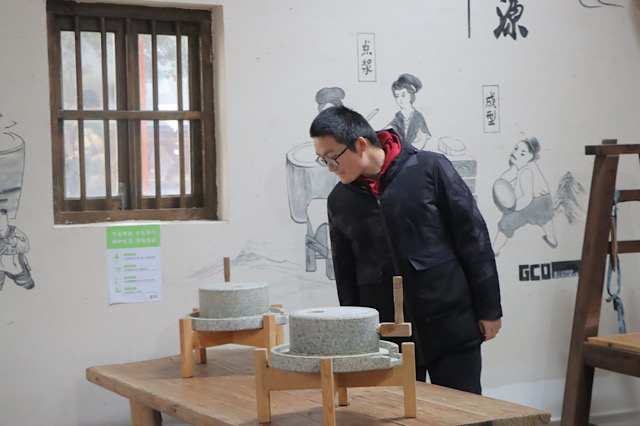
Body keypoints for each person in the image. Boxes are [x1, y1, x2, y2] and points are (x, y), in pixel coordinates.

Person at [310, 105, 502, 394]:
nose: (330, 168)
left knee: (465, 409)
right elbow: (345, 272)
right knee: (396, 412)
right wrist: (354, 335)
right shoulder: (340, 200)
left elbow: (473, 239)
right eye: (322, 160)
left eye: (332, 157)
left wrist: (489, 309)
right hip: (388, 340)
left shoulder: (430, 168)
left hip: (451, 324)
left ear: (360, 144)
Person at [492, 137, 557, 256]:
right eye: (516, 149)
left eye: (522, 153)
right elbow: (509, 175)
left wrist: (512, 209)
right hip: (543, 199)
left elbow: (527, 197)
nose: (516, 153)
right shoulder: (521, 164)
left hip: (537, 202)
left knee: (507, 223)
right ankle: (551, 239)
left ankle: (494, 249)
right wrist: (500, 184)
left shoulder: (526, 171)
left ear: (531, 157)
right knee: (546, 221)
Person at [387, 73, 431, 150]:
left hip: (414, 152)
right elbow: (390, 128)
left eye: (403, 95)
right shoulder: (399, 116)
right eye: (397, 96)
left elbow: (421, 140)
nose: (400, 99)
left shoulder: (417, 116)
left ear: (411, 95)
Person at [0, 208, 34, 291]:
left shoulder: (14, 231)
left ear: (6, 219)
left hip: (15, 265)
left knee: (26, 283)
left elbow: (25, 247)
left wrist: (14, 242)